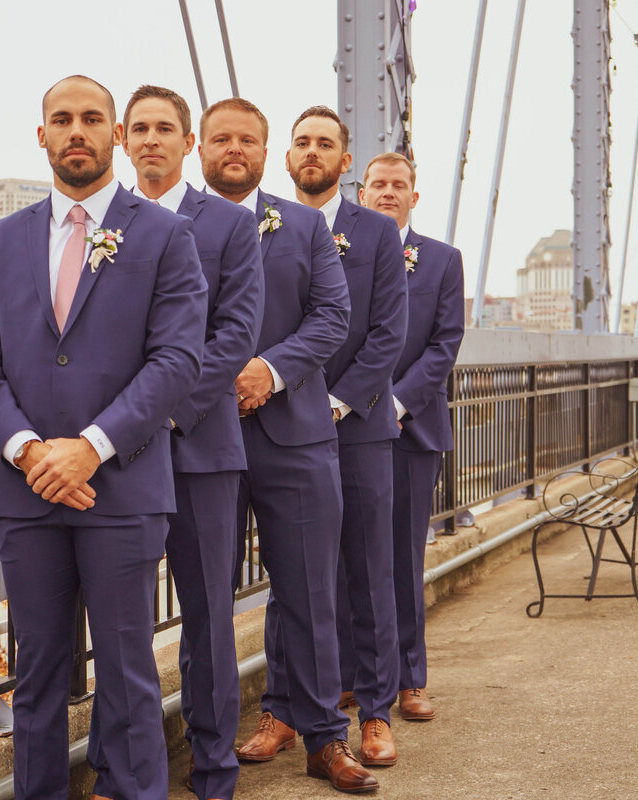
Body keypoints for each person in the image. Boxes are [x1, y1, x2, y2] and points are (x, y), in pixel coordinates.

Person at [0, 74, 207, 800]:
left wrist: (90, 445)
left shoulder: (166, 235)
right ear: (42, 135)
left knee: (128, 672)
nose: (77, 130)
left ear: (117, 136)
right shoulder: (2, 241)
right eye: (61, 119)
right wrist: (30, 450)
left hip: (122, 488)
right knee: (33, 676)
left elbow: (178, 359)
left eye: (92, 118)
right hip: (27, 492)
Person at [199, 96, 378, 794]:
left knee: (309, 594)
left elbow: (332, 317)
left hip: (294, 432)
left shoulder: (303, 227)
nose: (233, 149)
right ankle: (211, 753)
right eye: (221, 139)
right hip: (202, 437)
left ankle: (324, 739)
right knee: (209, 602)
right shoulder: (163, 227)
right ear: (200, 148)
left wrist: (266, 371)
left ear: (265, 151)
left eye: (247, 139)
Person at [119, 84, 264, 800]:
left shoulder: (229, 225)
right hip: (119, 459)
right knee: (121, 627)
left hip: (200, 447)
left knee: (207, 617)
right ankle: (124, 770)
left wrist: (161, 413)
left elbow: (237, 331)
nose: (152, 139)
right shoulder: (98, 223)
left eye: (166, 128)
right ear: (124, 140)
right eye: (140, 128)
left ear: (189, 145)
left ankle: (213, 770)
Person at [279, 106, 407, 767]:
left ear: (344, 160)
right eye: (301, 142)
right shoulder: (266, 223)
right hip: (281, 423)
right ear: (288, 155)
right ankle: (282, 710)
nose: (311, 152)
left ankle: (376, 715)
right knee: (291, 575)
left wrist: (335, 400)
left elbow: (388, 331)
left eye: (324, 143)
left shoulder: (377, 233)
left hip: (354, 425)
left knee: (367, 572)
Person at [358, 151, 464, 724]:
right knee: (346, 560)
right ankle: (357, 676)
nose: (389, 193)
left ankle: (409, 678)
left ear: (414, 197)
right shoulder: (337, 253)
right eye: (379, 184)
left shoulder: (443, 261)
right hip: (344, 427)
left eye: (399, 185)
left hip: (409, 430)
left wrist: (392, 403)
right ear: (363, 190)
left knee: (401, 559)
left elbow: (444, 346)